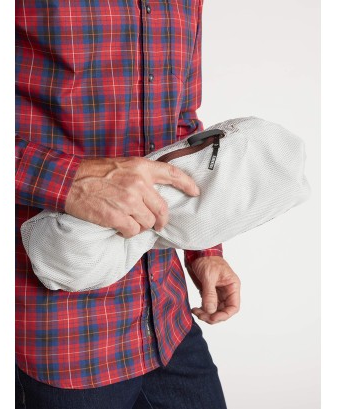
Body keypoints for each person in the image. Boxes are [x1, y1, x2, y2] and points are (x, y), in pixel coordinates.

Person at [15, 1, 241, 407]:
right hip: (58, 331)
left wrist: (204, 251)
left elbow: (182, 128)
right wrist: (73, 181)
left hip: (166, 316)